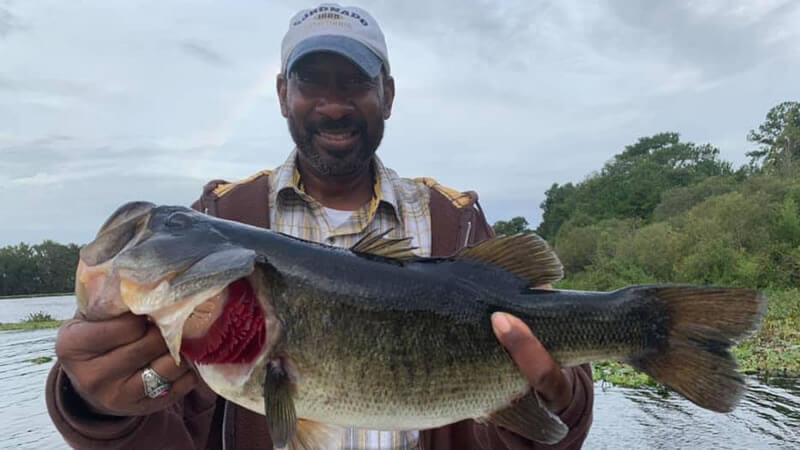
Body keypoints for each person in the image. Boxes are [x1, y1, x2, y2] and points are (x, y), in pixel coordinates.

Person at [47, 4, 593, 449]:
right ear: (285, 94)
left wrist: (563, 400)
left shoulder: (458, 221)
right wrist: (98, 406)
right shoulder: (217, 222)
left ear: (389, 96)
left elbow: (551, 407)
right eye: (313, 83)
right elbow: (172, 430)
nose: (334, 106)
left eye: (355, 83)